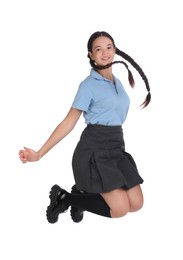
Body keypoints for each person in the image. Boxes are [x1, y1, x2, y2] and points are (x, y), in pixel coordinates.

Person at [19, 31, 151, 224]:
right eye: (98, 49)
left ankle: (80, 195)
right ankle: (65, 198)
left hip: (116, 148)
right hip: (95, 151)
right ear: (90, 54)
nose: (105, 53)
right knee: (120, 209)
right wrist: (39, 154)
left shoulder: (118, 83)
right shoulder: (88, 85)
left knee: (137, 204)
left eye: (109, 47)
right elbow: (68, 123)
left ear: (115, 50)